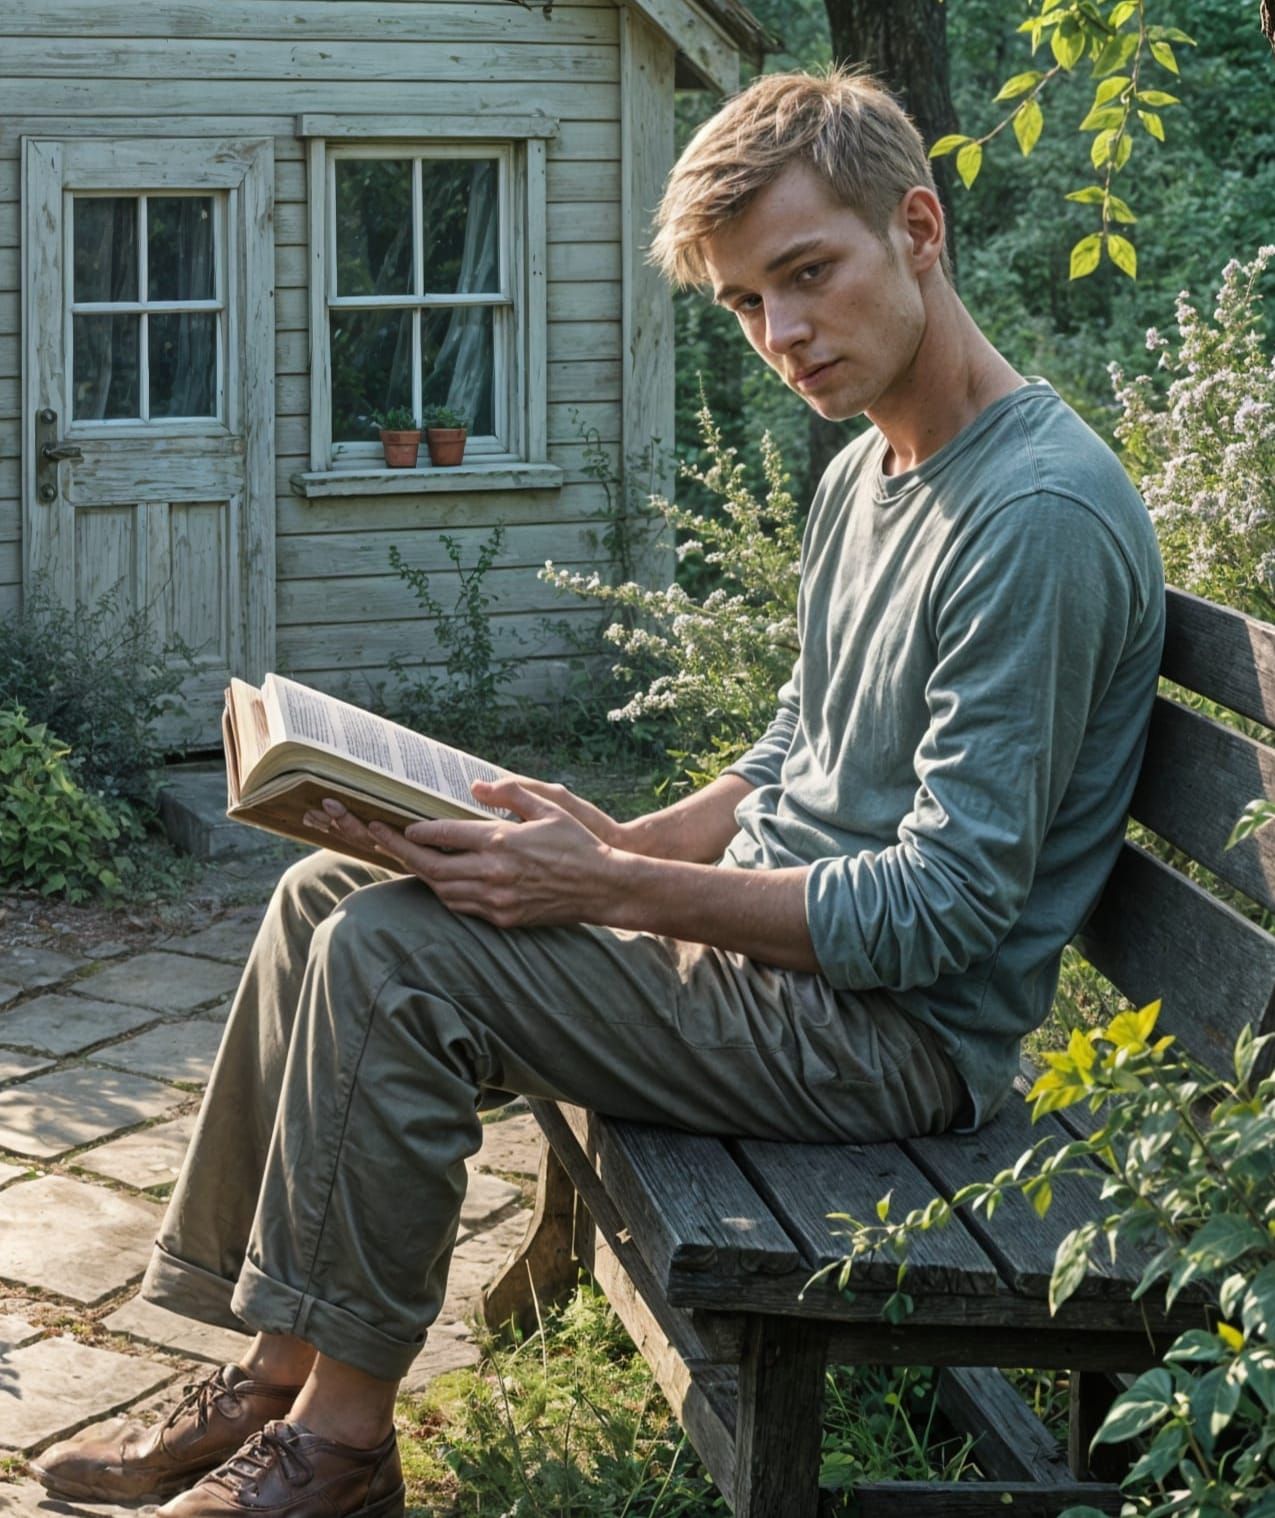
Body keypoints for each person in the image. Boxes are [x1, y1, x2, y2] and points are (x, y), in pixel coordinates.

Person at [33, 66, 1164, 1518]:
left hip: (888, 1041)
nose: (784, 336)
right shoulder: (869, 473)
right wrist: (611, 834)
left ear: (921, 230)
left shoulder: (1036, 516)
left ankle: (342, 1455)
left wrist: (611, 888)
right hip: (780, 975)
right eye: (749, 305)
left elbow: (945, 909)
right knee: (331, 890)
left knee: (397, 958)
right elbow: (787, 755)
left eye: (807, 277)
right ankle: (277, 1376)